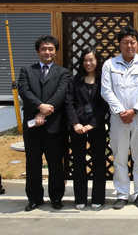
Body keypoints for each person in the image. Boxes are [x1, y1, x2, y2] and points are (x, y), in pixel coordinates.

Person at [99, 26, 138, 210]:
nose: (129, 45)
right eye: (125, 42)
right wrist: (121, 112)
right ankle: (122, 194)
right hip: (118, 119)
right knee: (120, 157)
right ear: (120, 44)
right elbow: (106, 91)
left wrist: (134, 111)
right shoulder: (110, 64)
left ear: (137, 44)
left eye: (132, 42)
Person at [17, 35, 71, 212]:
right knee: (32, 162)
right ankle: (34, 199)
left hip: (54, 125)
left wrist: (44, 111)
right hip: (32, 125)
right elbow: (24, 90)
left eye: (50, 49)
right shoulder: (26, 71)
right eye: (44, 49)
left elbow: (61, 93)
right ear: (37, 51)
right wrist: (39, 106)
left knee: (55, 162)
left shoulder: (63, 73)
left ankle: (56, 198)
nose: (47, 52)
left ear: (55, 51)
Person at [66, 46, 109, 210]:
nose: (88, 63)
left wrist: (92, 124)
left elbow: (104, 104)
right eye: (85, 60)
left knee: (99, 161)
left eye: (91, 60)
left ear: (97, 61)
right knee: (78, 161)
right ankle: (80, 198)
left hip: (96, 126)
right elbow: (69, 103)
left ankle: (98, 198)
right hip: (77, 127)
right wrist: (75, 123)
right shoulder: (74, 80)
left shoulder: (103, 81)